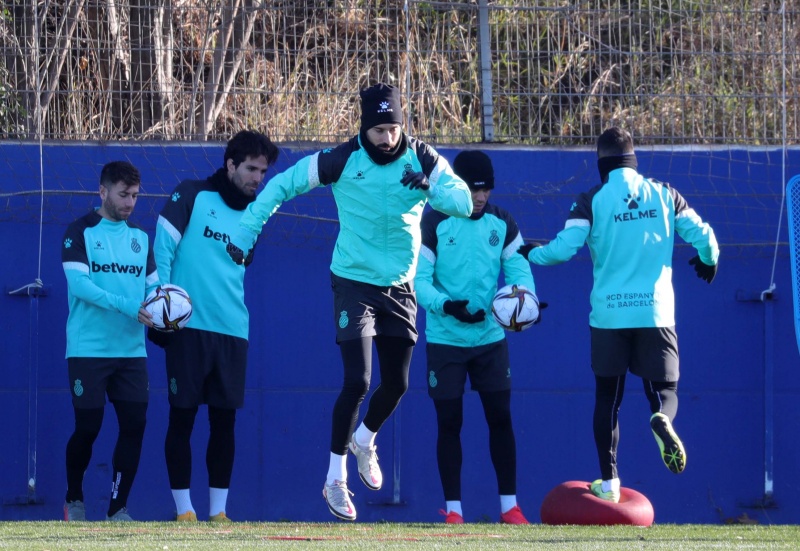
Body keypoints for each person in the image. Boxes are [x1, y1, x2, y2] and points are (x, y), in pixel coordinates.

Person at [227, 83, 473, 521]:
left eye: (393, 129)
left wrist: (431, 187)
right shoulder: (340, 159)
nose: (387, 138)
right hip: (353, 281)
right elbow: (282, 185)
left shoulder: (423, 157)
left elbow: (465, 202)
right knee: (358, 380)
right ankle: (335, 479)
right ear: (364, 127)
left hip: (400, 286)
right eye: (379, 130)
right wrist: (246, 232)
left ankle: (364, 440)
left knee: (397, 384)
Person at [518, 127, 719, 503]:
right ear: (633, 159)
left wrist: (532, 253)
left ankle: (609, 483)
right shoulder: (664, 193)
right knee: (664, 391)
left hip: (609, 316)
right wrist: (709, 260)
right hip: (656, 313)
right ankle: (662, 418)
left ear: (601, 162)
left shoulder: (591, 199)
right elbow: (704, 236)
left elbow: (562, 250)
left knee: (608, 398)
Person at [151, 130, 279, 522]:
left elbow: (238, 266)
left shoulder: (255, 214)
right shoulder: (191, 194)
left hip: (233, 330)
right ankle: (184, 512)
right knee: (183, 417)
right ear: (230, 165)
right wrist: (161, 303)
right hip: (187, 329)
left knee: (225, 423)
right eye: (251, 169)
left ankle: (219, 513)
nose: (258, 178)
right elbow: (162, 248)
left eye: (263, 172)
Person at [415, 150, 539, 525]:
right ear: (458, 187)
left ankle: (510, 508)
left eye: (486, 189)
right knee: (449, 422)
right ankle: (454, 511)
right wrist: (446, 306)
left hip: (490, 340)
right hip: (446, 340)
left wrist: (526, 301)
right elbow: (418, 281)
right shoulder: (435, 221)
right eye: (473, 189)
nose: (480, 197)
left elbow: (519, 270)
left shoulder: (503, 222)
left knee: (500, 418)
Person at [61, 160, 158, 522]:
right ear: (102, 192)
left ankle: (118, 509)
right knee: (88, 427)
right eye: (123, 195)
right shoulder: (79, 232)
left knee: (134, 426)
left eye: (135, 196)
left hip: (131, 352)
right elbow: (80, 286)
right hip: (88, 350)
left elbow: (153, 289)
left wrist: (169, 311)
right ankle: (74, 500)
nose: (130, 202)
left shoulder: (140, 238)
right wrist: (129, 307)